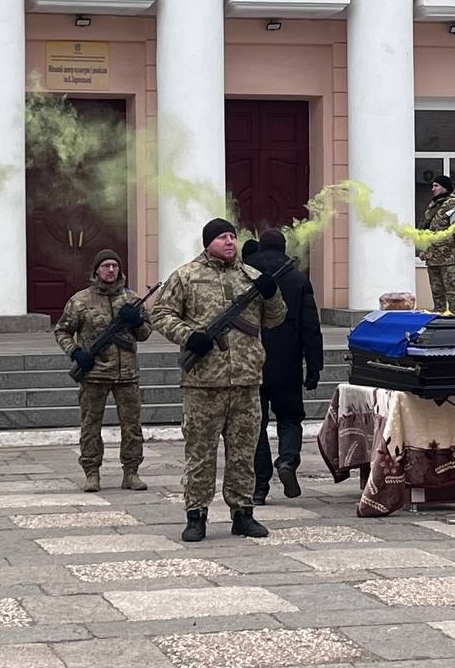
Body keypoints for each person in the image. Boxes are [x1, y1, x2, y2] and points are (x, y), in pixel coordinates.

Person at [150, 218, 286, 542]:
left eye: (232, 237)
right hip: (203, 385)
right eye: (222, 237)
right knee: (200, 454)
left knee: (243, 453)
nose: (229, 242)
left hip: (245, 382)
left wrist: (272, 293)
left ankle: (243, 513)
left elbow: (276, 318)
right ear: (208, 242)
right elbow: (160, 314)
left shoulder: (250, 278)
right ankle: (196, 516)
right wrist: (189, 335)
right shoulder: (186, 276)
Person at [54, 249, 152, 492]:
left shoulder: (131, 299)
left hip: (126, 374)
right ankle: (91, 472)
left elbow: (145, 334)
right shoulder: (81, 300)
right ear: (96, 270)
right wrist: (76, 353)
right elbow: (62, 330)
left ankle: (131, 472)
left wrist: (137, 321)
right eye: (106, 266)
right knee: (90, 425)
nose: (111, 270)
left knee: (132, 426)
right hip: (94, 374)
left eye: (114, 266)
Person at [245, 229, 323, 504]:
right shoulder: (297, 278)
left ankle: (259, 488)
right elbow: (311, 327)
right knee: (290, 419)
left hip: (250, 363)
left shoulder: (245, 274)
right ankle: (287, 461)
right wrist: (314, 367)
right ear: (283, 246)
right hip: (287, 363)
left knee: (256, 425)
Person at [419, 174, 455, 313]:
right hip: (433, 257)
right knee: (437, 291)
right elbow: (428, 229)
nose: (432, 189)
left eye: (436, 186)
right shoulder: (435, 204)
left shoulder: (453, 204)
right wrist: (424, 249)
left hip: (449, 257)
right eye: (432, 186)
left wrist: (435, 247)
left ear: (444, 187)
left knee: (451, 291)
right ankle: (439, 319)